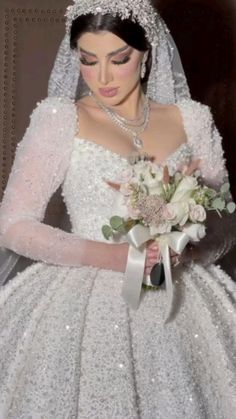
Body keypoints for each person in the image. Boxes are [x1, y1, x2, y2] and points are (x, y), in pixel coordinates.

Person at [0, 0, 236, 417]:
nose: (102, 77)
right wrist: (116, 257)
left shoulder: (192, 119)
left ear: (145, 53)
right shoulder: (60, 119)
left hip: (179, 293)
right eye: (88, 61)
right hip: (81, 304)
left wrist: (189, 246)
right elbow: (14, 224)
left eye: (118, 58)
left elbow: (223, 220)